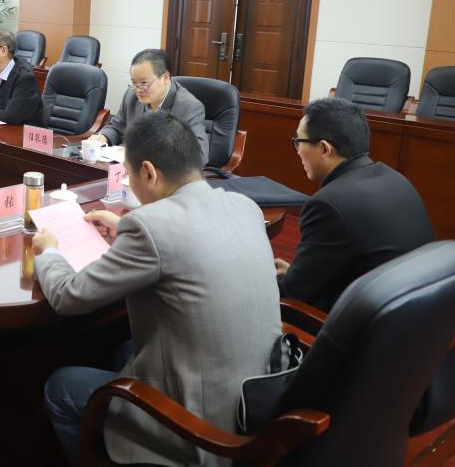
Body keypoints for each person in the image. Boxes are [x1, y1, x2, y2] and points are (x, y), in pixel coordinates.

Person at [33, 110, 281, 466]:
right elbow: (185, 238)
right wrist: (126, 228)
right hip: (257, 405)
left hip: (202, 431)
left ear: (148, 172)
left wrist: (49, 252)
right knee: (124, 350)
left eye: (129, 175)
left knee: (62, 386)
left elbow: (67, 296)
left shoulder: (151, 227)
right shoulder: (245, 207)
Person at [277, 97, 434, 312]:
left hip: (357, 327)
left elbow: (292, 295)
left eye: (299, 141)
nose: (297, 150)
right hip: (410, 316)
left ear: (324, 149)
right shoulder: (396, 179)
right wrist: (296, 273)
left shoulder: (328, 205)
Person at [90, 48, 209, 165]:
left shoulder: (188, 107)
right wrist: (103, 137)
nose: (138, 89)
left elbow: (200, 156)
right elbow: (117, 127)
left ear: (165, 78)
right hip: (130, 169)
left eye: (144, 83)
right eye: (134, 82)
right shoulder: (131, 96)